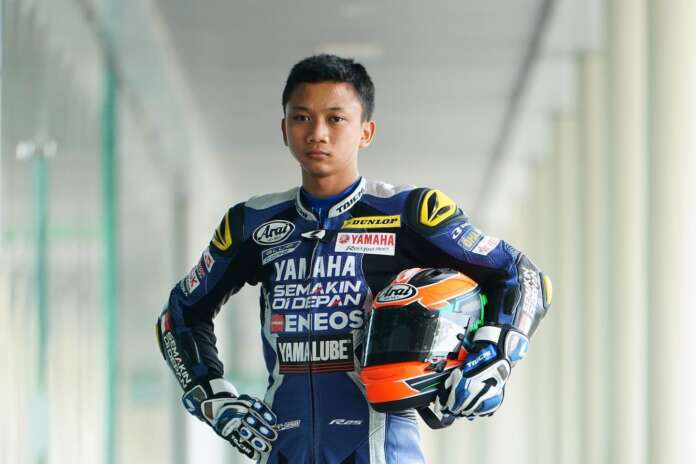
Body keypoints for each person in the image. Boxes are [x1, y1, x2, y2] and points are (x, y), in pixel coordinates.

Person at [156, 54, 551, 464]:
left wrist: (493, 356)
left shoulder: (409, 212)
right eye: (302, 118)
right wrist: (212, 398)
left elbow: (520, 275)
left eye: (336, 119)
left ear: (366, 131)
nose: (318, 133)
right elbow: (178, 317)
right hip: (281, 451)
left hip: (384, 451)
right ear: (284, 129)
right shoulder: (251, 223)